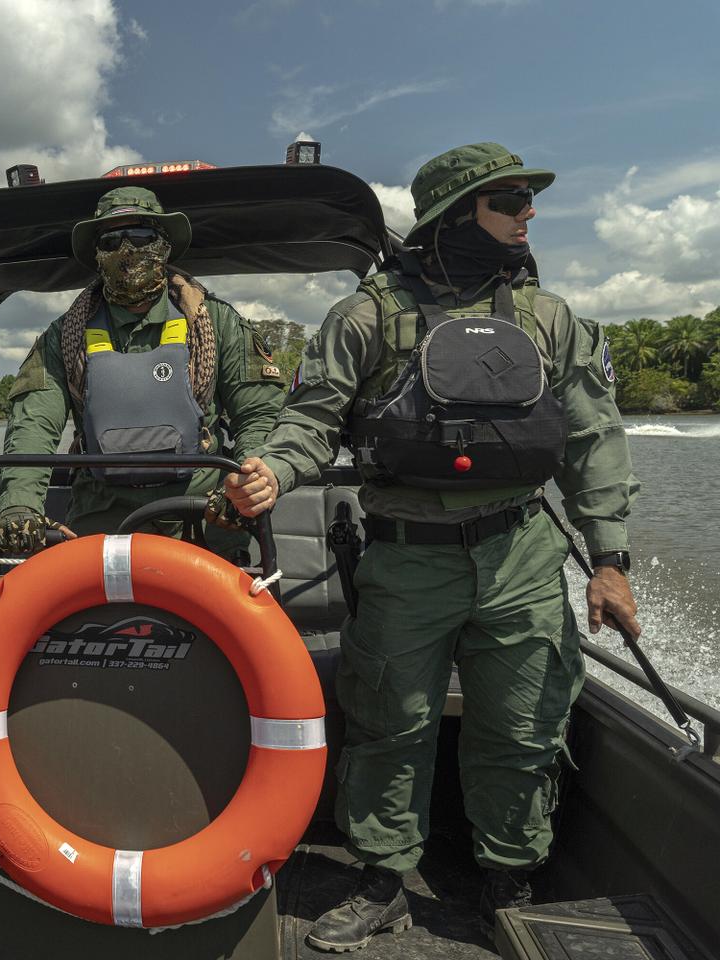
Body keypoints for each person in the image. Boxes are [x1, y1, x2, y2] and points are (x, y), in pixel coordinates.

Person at [225, 143, 642, 952]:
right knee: (390, 724)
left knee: (523, 726)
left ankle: (509, 879)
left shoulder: (550, 319)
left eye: (528, 200)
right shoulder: (366, 315)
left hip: (520, 553)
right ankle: (383, 880)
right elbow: (312, 421)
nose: (529, 213)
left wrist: (610, 561)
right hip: (408, 557)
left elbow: (595, 438)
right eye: (510, 200)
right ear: (457, 215)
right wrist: (273, 471)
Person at [0, 185, 285, 558]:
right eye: (112, 241)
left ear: (164, 246)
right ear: (98, 255)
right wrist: (19, 507)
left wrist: (244, 486)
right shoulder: (63, 336)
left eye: (142, 237)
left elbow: (259, 414)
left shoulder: (218, 322)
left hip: (204, 523)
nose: (127, 251)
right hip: (100, 528)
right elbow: (33, 428)